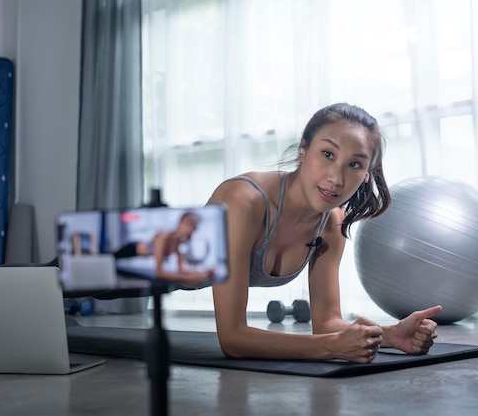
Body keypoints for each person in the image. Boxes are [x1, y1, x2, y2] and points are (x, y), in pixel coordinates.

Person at [204, 102, 442, 363]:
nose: (337, 178)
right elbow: (232, 338)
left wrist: (390, 335)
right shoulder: (243, 200)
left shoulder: (331, 223)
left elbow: (327, 323)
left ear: (366, 175)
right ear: (303, 149)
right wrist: (330, 348)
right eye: (328, 154)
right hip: (152, 275)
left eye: (354, 164)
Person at [113, 211, 216, 284]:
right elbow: (160, 273)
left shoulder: (180, 241)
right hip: (132, 249)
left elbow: (181, 268)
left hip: (139, 254)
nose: (192, 230)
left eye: (194, 226)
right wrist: (192, 278)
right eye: (189, 224)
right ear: (180, 223)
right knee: (108, 258)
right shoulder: (162, 237)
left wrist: (203, 273)